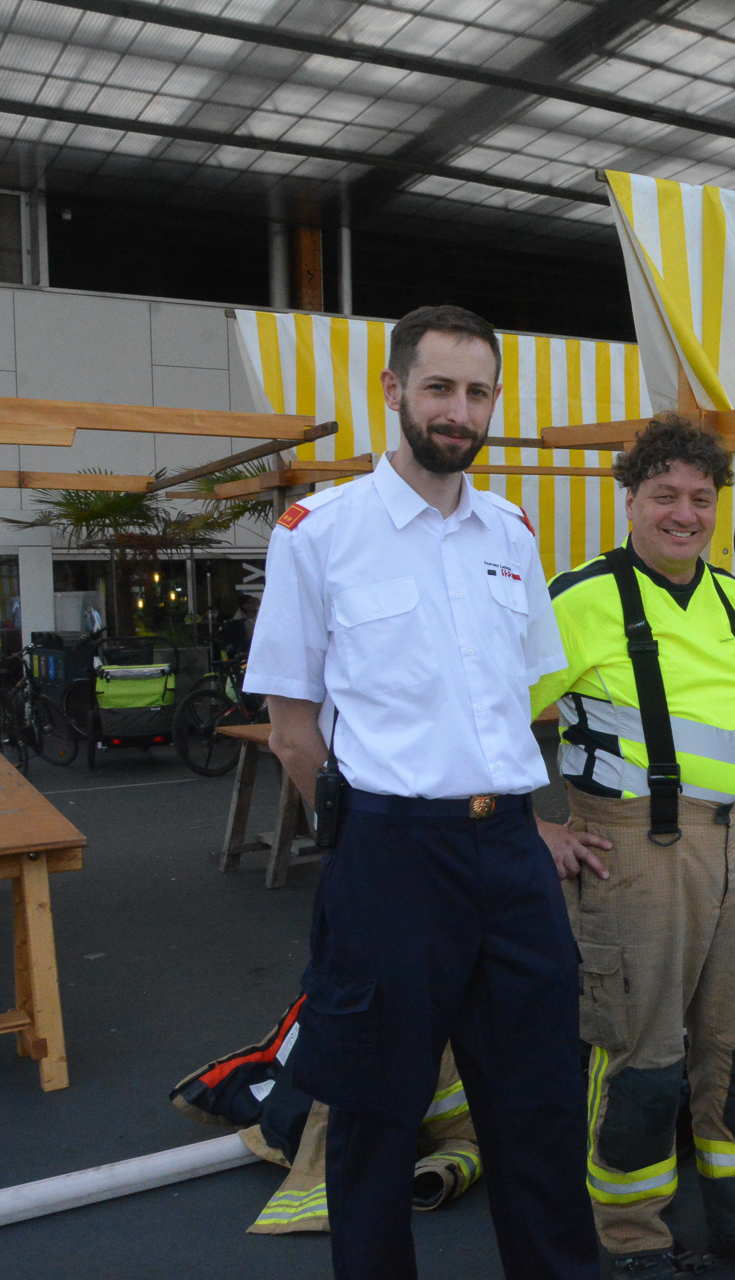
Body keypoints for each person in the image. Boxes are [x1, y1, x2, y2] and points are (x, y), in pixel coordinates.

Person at [247, 305, 599, 1280]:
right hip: (391, 858)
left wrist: (525, 822)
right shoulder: (319, 532)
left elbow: (518, 700)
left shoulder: (511, 532)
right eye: (439, 387)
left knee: (540, 1108)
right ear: (394, 390)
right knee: (375, 1116)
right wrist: (368, 830)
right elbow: (291, 731)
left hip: (510, 859)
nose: (459, 409)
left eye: (478, 391)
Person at [531, 415, 735, 1280]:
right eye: (664, 496)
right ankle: (633, 1241)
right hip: (634, 854)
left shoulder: (732, 597)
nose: (685, 514)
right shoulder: (579, 600)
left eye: (700, 497)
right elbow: (487, 717)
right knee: (642, 1058)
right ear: (629, 501)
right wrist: (532, 828)